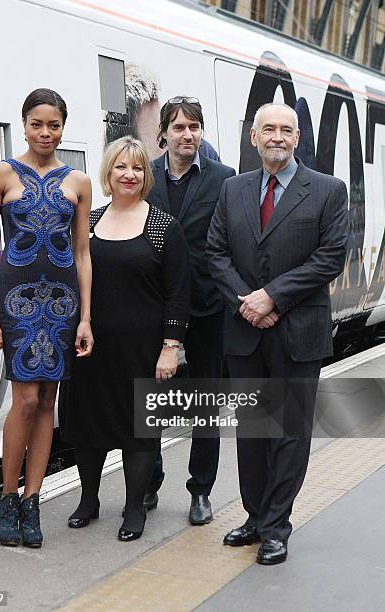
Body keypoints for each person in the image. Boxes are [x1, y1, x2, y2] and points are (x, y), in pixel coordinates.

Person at [206, 103, 348, 564]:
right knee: (251, 430)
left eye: (286, 130)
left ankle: (276, 526)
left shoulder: (327, 190)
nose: (277, 137)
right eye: (269, 129)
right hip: (246, 329)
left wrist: (272, 297)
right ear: (253, 137)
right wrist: (248, 303)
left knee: (287, 432)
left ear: (298, 138)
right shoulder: (233, 190)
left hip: (298, 330)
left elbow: (330, 258)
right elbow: (216, 253)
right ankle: (255, 515)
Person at [0, 88, 93, 547]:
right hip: (17, 300)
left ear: (63, 127)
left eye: (54, 125)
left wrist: (85, 317)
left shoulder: (79, 181)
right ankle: (7, 499)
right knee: (24, 400)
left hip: (63, 303)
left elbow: (82, 252)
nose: (45, 133)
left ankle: (33, 500)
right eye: (37, 124)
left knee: (49, 401)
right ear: (23, 125)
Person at [60, 136, 190, 541]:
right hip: (91, 344)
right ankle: (89, 499)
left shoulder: (162, 226)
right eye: (121, 167)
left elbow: (178, 292)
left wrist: (171, 347)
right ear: (108, 173)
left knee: (139, 430)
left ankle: (135, 508)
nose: (129, 175)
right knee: (86, 424)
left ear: (145, 175)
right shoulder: (89, 221)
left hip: (142, 348)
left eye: (137, 168)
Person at [146, 97, 235, 525]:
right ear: (163, 132)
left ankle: (201, 490)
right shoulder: (143, 175)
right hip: (153, 302)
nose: (187, 135)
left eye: (194, 127)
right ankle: (148, 478)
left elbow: (232, 240)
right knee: (149, 395)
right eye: (179, 127)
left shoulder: (224, 179)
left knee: (204, 400)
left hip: (207, 305)